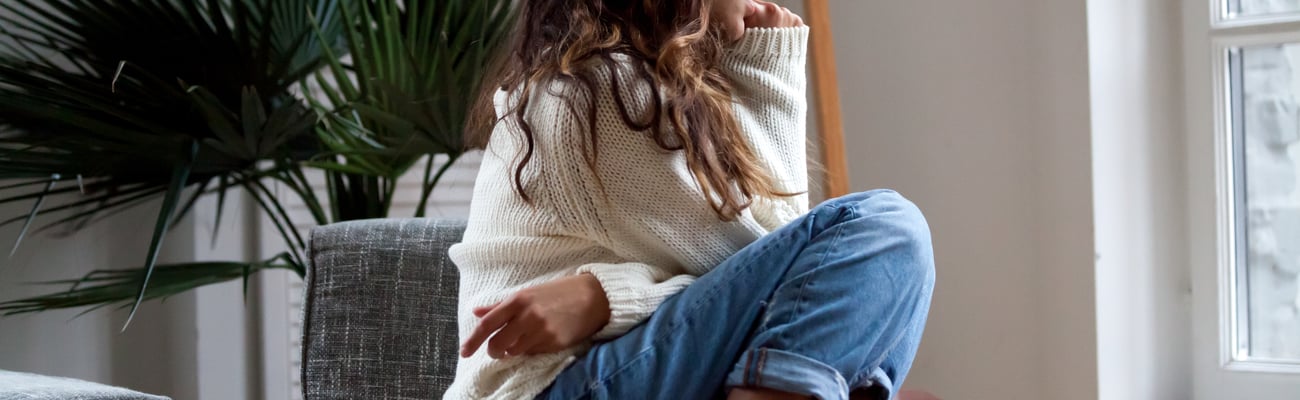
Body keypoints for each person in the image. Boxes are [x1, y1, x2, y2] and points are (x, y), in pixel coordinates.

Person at [448, 0, 935, 399]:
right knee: (889, 229)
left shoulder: (641, 87)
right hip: (554, 389)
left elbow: (791, 280)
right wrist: (773, 65)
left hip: (604, 372)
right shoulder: (597, 95)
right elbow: (784, 263)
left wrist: (604, 298)